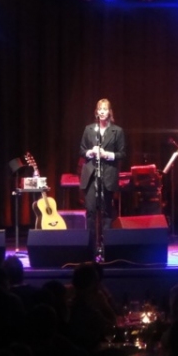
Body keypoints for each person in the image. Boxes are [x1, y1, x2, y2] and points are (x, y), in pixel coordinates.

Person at [79, 98, 126, 256]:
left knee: (106, 212)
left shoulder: (117, 131)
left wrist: (107, 154)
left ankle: (107, 249)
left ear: (110, 112)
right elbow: (81, 150)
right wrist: (90, 152)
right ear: (96, 112)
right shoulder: (89, 129)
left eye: (105, 109)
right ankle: (90, 249)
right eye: (100, 109)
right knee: (91, 212)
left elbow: (122, 153)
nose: (102, 112)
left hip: (108, 175)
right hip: (91, 175)